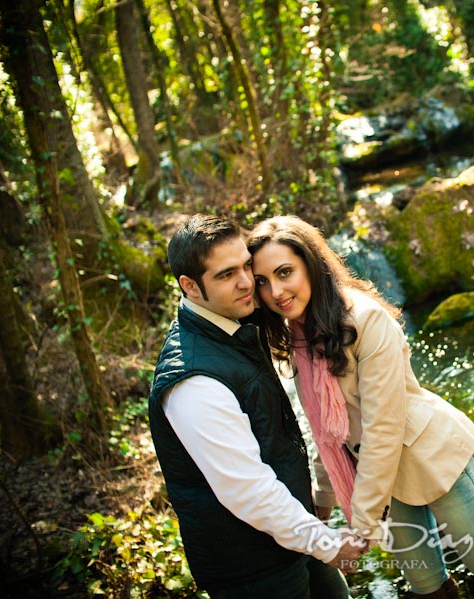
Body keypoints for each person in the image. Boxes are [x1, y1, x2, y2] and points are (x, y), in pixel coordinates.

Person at [246, 214, 474, 599]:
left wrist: (363, 525)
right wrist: (322, 503)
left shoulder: (365, 319)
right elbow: (328, 432)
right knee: (425, 585)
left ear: (311, 265)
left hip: (435, 462)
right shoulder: (300, 337)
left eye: (285, 272)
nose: (276, 291)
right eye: (263, 282)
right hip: (383, 481)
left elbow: (382, 429)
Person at [148, 214, 367, 599]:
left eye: (247, 265)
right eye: (226, 274)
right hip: (252, 570)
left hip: (291, 535)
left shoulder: (233, 324)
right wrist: (326, 542)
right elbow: (246, 488)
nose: (248, 281)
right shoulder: (193, 381)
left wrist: (314, 505)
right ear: (189, 286)